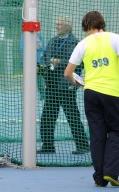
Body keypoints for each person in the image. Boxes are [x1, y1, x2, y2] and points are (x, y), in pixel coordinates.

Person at [65, 11, 119, 187]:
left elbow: (68, 73)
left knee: (97, 135)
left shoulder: (82, 44)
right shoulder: (114, 38)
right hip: (112, 92)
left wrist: (78, 82)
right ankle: (111, 171)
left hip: (91, 93)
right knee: (117, 132)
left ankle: (99, 177)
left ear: (85, 25)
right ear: (102, 23)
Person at [37, 16, 89, 154]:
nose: (57, 26)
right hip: (52, 85)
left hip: (66, 86)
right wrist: (45, 64)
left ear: (68, 26)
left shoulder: (75, 43)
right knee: (47, 116)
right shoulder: (52, 41)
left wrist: (60, 62)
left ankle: (82, 145)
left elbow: (78, 63)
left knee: (72, 117)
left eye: (60, 24)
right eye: (56, 24)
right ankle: (48, 145)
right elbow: (44, 58)